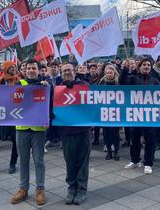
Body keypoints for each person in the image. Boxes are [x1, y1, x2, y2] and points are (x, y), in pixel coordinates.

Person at [11, 59, 49, 206]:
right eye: (29, 68)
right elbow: (9, 101)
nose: (31, 70)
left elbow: (51, 103)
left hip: (38, 129)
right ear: (25, 71)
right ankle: (23, 189)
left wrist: (49, 88)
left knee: (39, 161)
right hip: (21, 128)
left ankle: (40, 189)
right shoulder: (19, 84)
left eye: (34, 68)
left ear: (39, 70)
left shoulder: (45, 85)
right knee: (23, 160)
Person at [58, 63, 92, 205]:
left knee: (83, 162)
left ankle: (82, 189)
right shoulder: (57, 88)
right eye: (64, 70)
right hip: (66, 132)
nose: (67, 72)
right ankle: (71, 188)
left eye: (69, 70)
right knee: (70, 161)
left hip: (83, 131)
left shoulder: (83, 84)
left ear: (74, 72)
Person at [121, 57, 160, 174]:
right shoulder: (133, 78)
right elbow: (122, 83)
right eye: (144, 65)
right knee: (134, 139)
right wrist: (124, 69)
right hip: (136, 115)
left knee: (150, 140)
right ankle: (135, 160)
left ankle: (148, 163)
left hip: (150, 116)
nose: (146, 67)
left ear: (150, 67)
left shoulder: (155, 81)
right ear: (140, 67)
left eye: (148, 65)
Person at [98, 64, 120, 161]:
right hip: (105, 112)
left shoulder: (118, 83)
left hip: (116, 112)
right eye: (107, 73)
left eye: (111, 72)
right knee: (106, 133)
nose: (109, 74)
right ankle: (109, 152)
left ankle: (116, 152)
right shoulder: (101, 83)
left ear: (114, 73)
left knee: (115, 133)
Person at [119, 59, 138, 148]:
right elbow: (120, 81)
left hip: (137, 102)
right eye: (130, 64)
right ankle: (127, 139)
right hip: (127, 102)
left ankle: (136, 139)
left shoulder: (138, 74)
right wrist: (125, 69)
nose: (132, 65)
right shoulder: (125, 74)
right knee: (127, 123)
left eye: (133, 63)